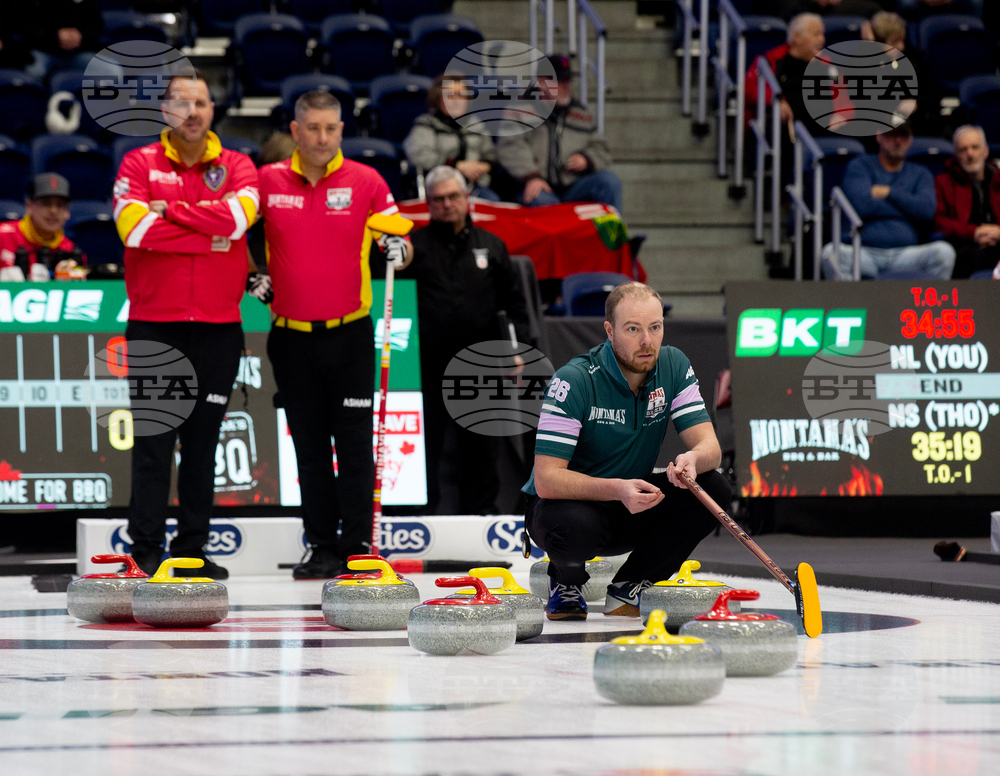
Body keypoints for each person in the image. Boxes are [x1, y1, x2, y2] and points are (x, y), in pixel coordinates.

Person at [258, 90, 413, 579]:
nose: (322, 137)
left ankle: (359, 545)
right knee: (308, 445)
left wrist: (398, 250)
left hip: (348, 336)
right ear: (296, 131)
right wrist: (248, 273)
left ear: (341, 130)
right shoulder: (266, 181)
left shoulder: (365, 181)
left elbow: (401, 240)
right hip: (290, 336)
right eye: (313, 128)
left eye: (331, 128)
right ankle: (322, 545)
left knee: (352, 444)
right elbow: (231, 229)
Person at [113, 71, 260, 578]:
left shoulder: (239, 164)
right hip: (156, 324)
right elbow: (133, 229)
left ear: (212, 110)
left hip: (219, 327)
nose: (192, 112)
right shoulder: (139, 162)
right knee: (154, 444)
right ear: (165, 111)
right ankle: (146, 550)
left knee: (202, 445)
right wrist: (209, 232)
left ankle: (192, 551)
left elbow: (238, 222)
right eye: (181, 103)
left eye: (200, 103)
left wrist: (171, 213)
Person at [522, 282, 729, 621]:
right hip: (565, 506)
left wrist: (691, 460)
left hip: (629, 500)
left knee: (713, 486)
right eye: (633, 329)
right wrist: (617, 488)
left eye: (655, 327)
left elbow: (711, 449)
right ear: (610, 331)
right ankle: (565, 581)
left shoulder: (673, 365)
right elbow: (546, 480)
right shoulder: (574, 380)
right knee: (572, 524)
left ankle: (631, 584)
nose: (647, 341)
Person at [373, 165, 530, 515]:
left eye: (453, 197)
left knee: (482, 450)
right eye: (438, 199)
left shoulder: (492, 246)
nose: (446, 204)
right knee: (422, 448)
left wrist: (516, 351)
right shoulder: (414, 248)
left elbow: (515, 306)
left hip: (481, 365)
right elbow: (383, 288)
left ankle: (480, 519)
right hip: (425, 365)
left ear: (467, 198)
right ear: (428, 204)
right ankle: (419, 521)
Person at [822, 122, 955, 279]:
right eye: (891, 134)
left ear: (911, 139)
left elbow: (926, 210)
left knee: (944, 253)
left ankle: (921, 303)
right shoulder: (860, 166)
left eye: (903, 135)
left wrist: (888, 192)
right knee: (831, 253)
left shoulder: (920, 173)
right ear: (879, 136)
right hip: (863, 252)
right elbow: (861, 206)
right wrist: (908, 206)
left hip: (906, 254)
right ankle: (852, 303)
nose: (897, 140)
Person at [496, 54, 622, 212]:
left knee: (609, 182)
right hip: (530, 185)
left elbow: (602, 149)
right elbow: (510, 147)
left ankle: (612, 236)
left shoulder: (582, 114)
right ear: (541, 82)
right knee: (542, 199)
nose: (566, 86)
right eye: (559, 81)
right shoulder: (519, 109)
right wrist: (531, 176)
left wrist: (587, 159)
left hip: (572, 186)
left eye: (568, 80)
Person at [403, 73, 501, 201]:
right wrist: (456, 165)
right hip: (439, 188)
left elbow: (491, 155)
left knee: (492, 201)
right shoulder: (426, 124)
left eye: (461, 95)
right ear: (438, 99)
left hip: (475, 187)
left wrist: (484, 166)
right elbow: (418, 156)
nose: (456, 101)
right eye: (450, 95)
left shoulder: (476, 125)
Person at [934, 126, 1000, 279]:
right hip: (964, 245)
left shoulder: (998, 179)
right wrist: (974, 232)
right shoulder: (943, 182)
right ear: (955, 155)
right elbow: (939, 221)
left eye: (975, 147)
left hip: (998, 241)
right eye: (963, 149)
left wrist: (998, 232)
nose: (970, 154)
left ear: (986, 151)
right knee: (971, 256)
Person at [0, 173, 85, 281]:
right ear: (29, 206)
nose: (53, 211)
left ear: (67, 212)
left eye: (60, 205)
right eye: (46, 203)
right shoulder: (2, 236)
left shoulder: (71, 253)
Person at [22, 0, 104, 80]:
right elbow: (27, 27)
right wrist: (55, 36)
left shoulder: (87, 3)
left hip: (79, 53)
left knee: (110, 70)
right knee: (34, 71)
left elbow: (97, 25)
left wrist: (80, 36)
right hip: (44, 51)